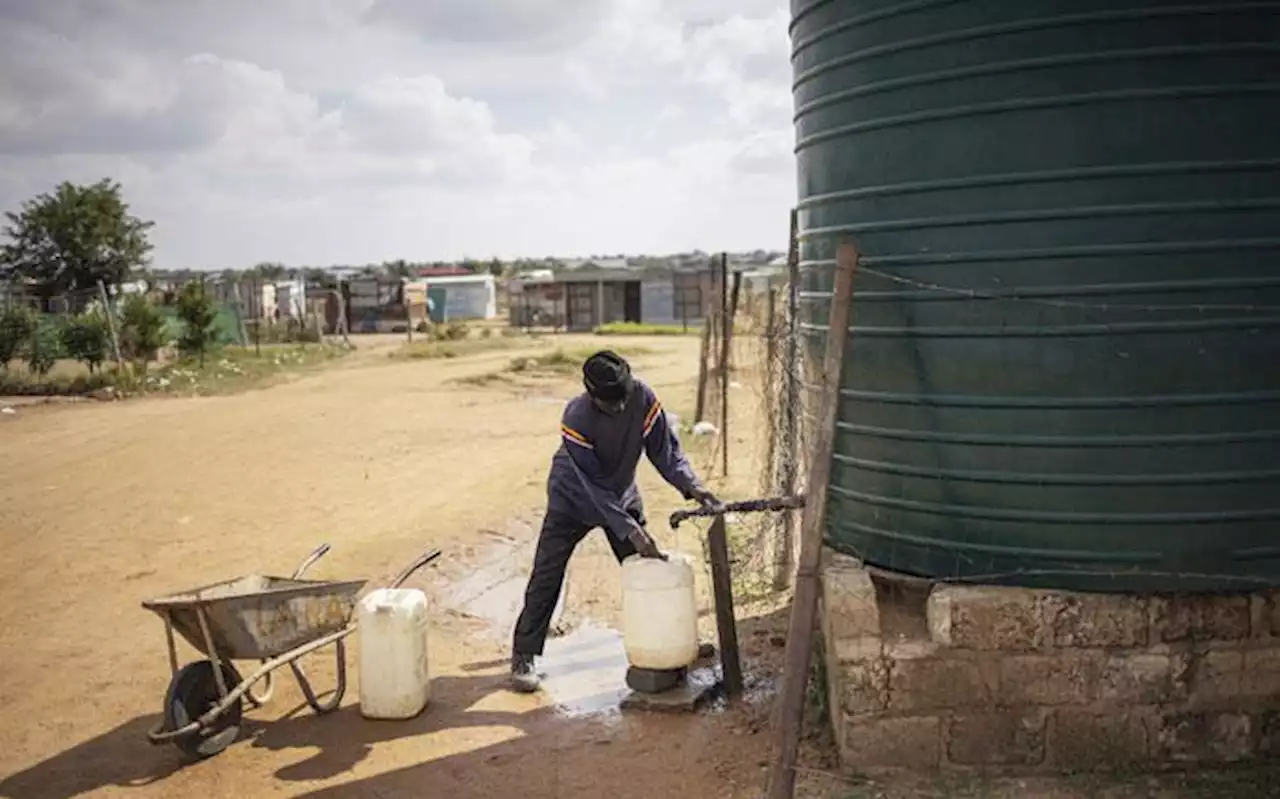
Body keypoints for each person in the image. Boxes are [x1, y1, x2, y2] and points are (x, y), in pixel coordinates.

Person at [509, 350, 719, 693]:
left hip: (621, 495)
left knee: (649, 570)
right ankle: (524, 655)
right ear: (591, 396)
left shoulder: (642, 397)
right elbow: (593, 486)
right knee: (547, 576)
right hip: (571, 500)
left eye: (623, 399)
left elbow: (665, 451)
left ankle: (673, 642)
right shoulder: (576, 418)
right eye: (610, 404)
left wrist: (692, 486)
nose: (620, 408)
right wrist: (631, 530)